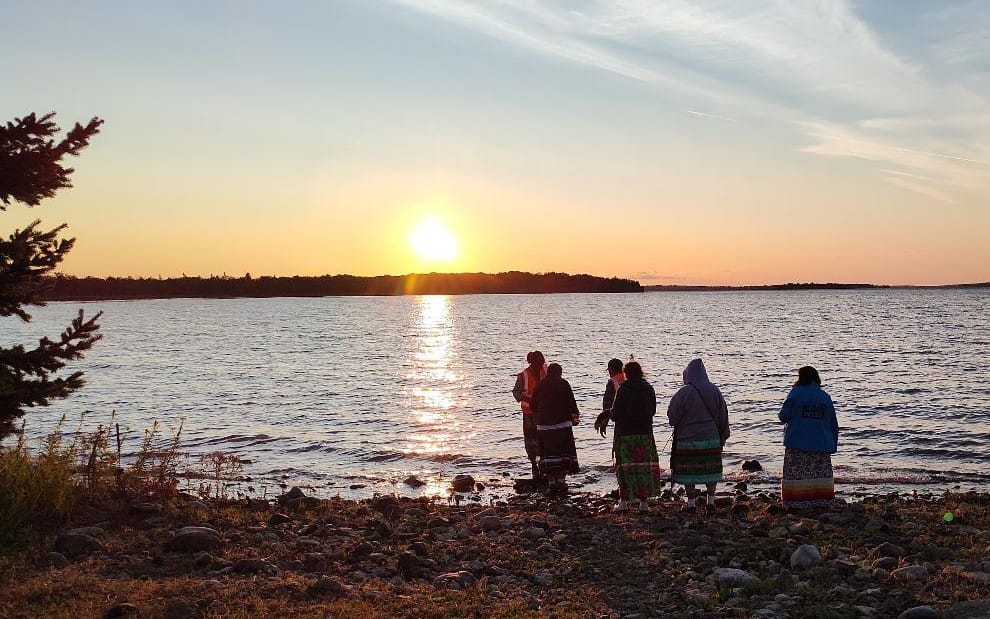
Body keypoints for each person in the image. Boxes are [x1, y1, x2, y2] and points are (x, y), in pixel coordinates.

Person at [667, 358, 730, 511]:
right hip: (711, 439)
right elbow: (723, 414)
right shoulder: (714, 390)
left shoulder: (683, 392)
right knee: (711, 470)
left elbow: (672, 416)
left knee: (689, 472)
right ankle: (710, 501)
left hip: (687, 440)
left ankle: (691, 504)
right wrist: (723, 435)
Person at [779, 366, 838, 509]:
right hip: (821, 443)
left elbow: (783, 416)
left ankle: (796, 502)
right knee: (819, 473)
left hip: (797, 442)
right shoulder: (824, 396)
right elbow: (833, 424)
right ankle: (821, 501)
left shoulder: (795, 393)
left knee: (797, 473)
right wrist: (833, 445)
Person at [608, 360, 663, 512]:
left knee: (625, 467)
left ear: (626, 374)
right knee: (643, 468)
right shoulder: (648, 388)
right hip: (645, 433)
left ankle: (624, 502)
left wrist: (611, 414)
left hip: (625, 434)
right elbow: (652, 411)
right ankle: (644, 504)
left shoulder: (623, 389)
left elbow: (615, 414)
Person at [529, 363, 580, 492]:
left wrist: (539, 415)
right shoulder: (564, 383)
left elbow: (532, 405)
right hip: (562, 424)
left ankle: (551, 481)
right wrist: (575, 416)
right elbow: (571, 402)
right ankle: (561, 480)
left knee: (547, 453)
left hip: (544, 425)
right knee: (564, 452)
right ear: (560, 373)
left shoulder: (540, 384)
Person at [512, 350, 547, 480]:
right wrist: (528, 400)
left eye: (541, 363)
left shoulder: (545, 371)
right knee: (531, 442)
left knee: (543, 440)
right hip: (529, 414)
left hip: (543, 413)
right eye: (538, 363)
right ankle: (534, 465)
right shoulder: (523, 376)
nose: (540, 366)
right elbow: (516, 393)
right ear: (532, 363)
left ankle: (543, 464)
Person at [594, 358, 626, 438]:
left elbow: (608, 404)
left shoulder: (612, 382)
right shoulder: (629, 379)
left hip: (621, 422)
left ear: (611, 369)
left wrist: (604, 422)